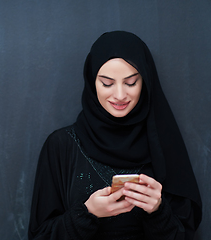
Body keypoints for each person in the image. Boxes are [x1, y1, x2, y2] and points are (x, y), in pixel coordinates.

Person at [28, 31, 202, 240]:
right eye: (107, 83)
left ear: (145, 82)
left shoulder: (164, 145)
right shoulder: (61, 146)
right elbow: (40, 236)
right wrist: (87, 214)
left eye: (130, 83)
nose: (119, 95)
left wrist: (157, 211)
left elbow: (184, 235)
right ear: (92, 83)